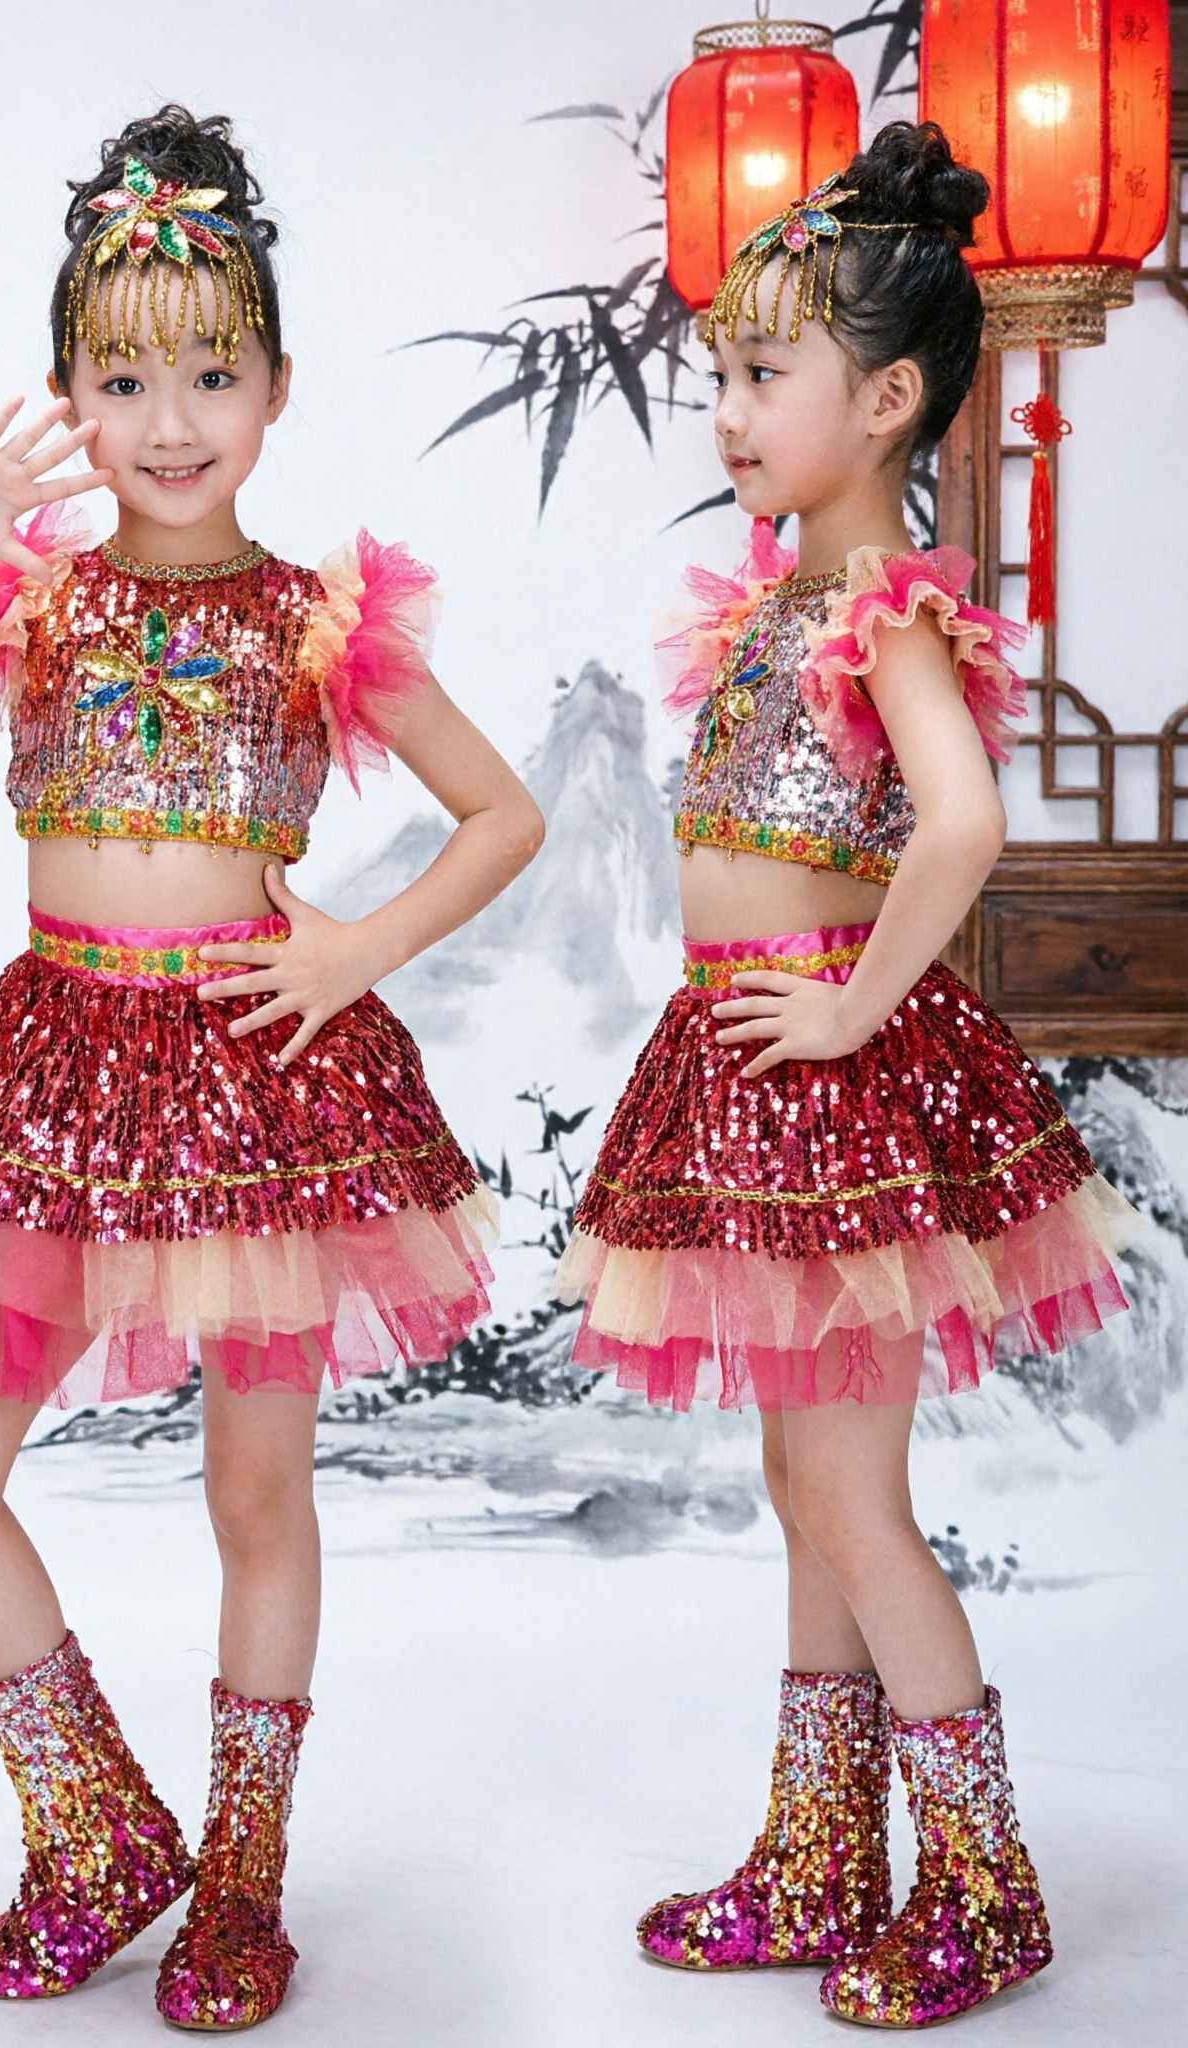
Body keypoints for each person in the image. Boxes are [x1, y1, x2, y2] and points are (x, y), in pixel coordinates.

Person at [0, 103, 542, 2033]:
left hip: (259, 1079)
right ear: (66, 398)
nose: (167, 418)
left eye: (209, 372)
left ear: (274, 385)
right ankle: (95, 1827)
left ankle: (242, 1876)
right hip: (64, 1069)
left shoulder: (316, 624)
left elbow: (499, 818)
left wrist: (346, 946)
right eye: (120, 377)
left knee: (255, 1491)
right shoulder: (31, 605)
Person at [555, 125, 1145, 2028]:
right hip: (750, 1066)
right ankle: (820, 1852)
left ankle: (983, 1882)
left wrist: (843, 1006)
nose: (724, 409)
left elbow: (956, 825)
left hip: (828, 1075)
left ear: (885, 399)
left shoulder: (881, 596)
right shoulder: (782, 605)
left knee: (851, 1490)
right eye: (716, 373)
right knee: (798, 1476)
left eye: (761, 373)